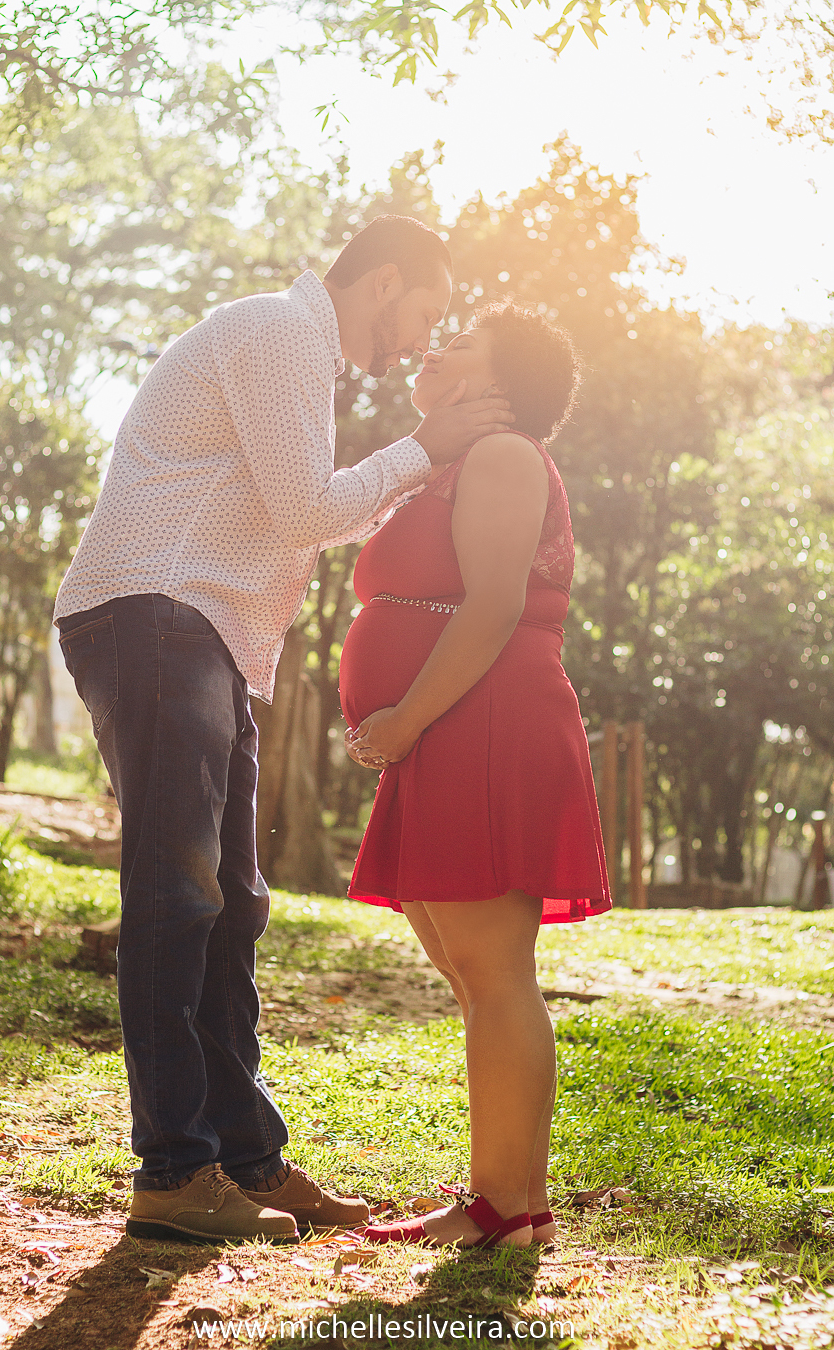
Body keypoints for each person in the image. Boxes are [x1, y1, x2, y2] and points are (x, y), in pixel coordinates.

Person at [53, 216, 516, 1245]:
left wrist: (410, 464)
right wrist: (422, 449)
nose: (422, 338)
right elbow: (307, 510)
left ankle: (244, 1159)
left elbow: (301, 510)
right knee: (177, 899)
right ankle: (173, 1172)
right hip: (156, 611)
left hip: (203, 635)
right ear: (384, 282)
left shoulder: (303, 354)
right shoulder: (277, 333)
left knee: (233, 904)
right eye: (427, 312)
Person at [339, 301, 612, 1249]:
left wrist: (406, 719)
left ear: (500, 385)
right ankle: (505, 1205)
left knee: (495, 973)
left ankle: (505, 1211)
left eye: (460, 344)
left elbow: (495, 604)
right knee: (472, 971)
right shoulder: (452, 464)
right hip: (449, 724)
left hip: (482, 717)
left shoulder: (503, 456)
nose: (434, 347)